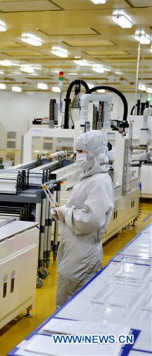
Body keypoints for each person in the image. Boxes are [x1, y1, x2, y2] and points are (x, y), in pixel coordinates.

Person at [52, 131, 114, 307]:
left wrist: (66, 212)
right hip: (74, 251)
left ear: (95, 152)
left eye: (80, 151)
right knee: (66, 301)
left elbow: (91, 220)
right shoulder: (88, 178)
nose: (77, 156)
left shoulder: (100, 181)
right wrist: (64, 214)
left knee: (74, 306)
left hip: (84, 255)